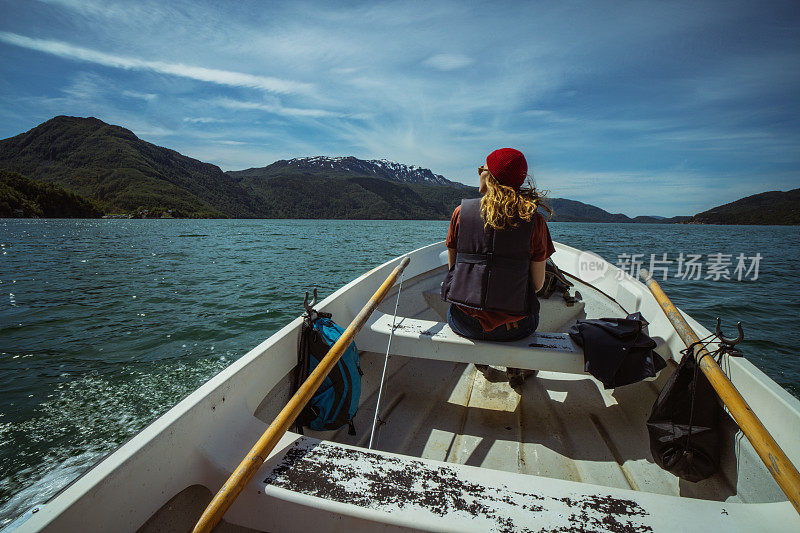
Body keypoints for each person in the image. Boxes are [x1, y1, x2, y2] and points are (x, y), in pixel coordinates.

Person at [441, 147, 555, 388]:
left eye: (481, 169)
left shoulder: (461, 213)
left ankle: (481, 360)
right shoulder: (535, 221)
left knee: (465, 309)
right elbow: (537, 285)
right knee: (527, 310)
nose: (479, 173)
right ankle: (515, 366)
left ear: (491, 176)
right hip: (516, 329)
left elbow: (454, 272)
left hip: (464, 322)